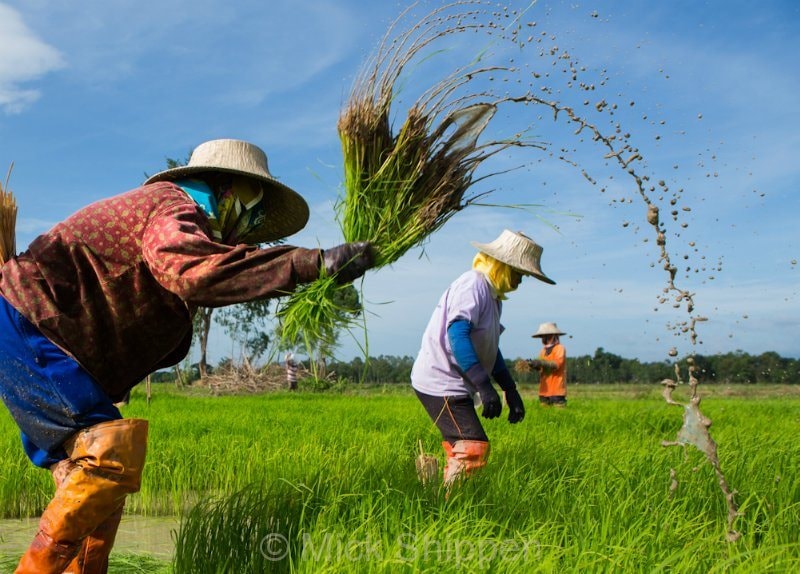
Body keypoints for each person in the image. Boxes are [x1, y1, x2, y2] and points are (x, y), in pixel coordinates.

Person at [0, 138, 375, 573]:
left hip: (36, 337)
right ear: (228, 189)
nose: (253, 219)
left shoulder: (181, 219)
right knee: (110, 460)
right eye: (254, 203)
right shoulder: (172, 206)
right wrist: (312, 263)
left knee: (94, 488)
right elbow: (190, 273)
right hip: (30, 325)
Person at [411, 229, 555, 487]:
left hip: (452, 382)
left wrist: (509, 389)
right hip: (439, 379)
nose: (520, 281)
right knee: (473, 446)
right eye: (519, 274)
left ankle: (435, 495)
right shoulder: (474, 284)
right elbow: (457, 334)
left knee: (461, 444)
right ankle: (451, 508)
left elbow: (491, 347)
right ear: (503, 265)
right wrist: (484, 385)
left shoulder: (494, 298)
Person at [529, 322, 568, 407]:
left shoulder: (560, 348)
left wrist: (540, 363)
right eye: (543, 336)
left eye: (547, 336)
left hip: (557, 390)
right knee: (545, 418)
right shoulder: (543, 351)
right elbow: (542, 369)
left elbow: (556, 365)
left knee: (560, 417)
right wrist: (533, 365)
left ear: (553, 335)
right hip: (544, 390)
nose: (544, 338)